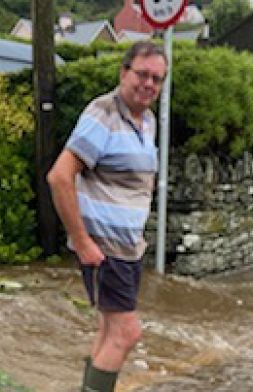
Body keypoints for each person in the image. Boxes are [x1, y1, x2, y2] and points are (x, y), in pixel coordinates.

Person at [47, 41, 167, 392]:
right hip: (105, 249)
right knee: (128, 333)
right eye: (142, 75)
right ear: (123, 73)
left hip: (128, 249)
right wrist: (83, 242)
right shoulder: (103, 114)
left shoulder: (147, 121)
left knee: (108, 331)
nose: (149, 85)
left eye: (157, 79)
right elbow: (59, 176)